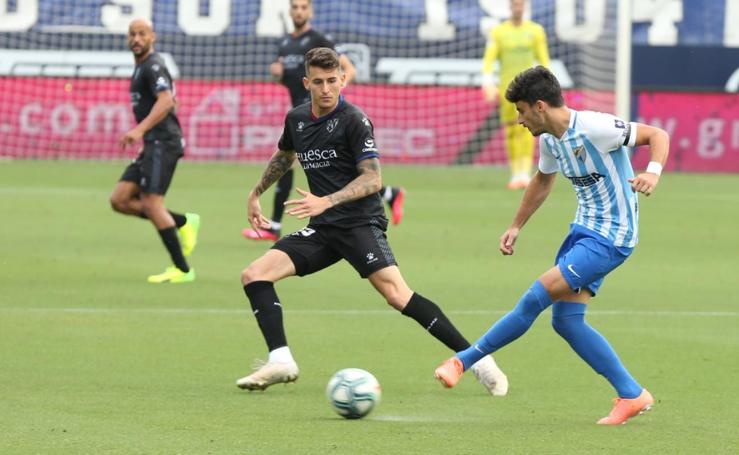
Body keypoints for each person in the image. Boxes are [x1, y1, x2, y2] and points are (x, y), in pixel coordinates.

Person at [235, 47, 507, 395]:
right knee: (254, 275)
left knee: (397, 295)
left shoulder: (354, 120)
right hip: (323, 228)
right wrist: (256, 192)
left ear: (343, 79)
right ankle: (281, 360)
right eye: (318, 82)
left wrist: (327, 201)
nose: (326, 89)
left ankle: (478, 360)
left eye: (332, 81)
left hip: (359, 222)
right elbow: (285, 154)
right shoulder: (297, 119)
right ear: (306, 83)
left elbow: (373, 180)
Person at [434, 66, 669, 425]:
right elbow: (542, 181)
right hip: (583, 230)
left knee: (535, 297)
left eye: (521, 111)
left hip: (613, 236)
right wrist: (516, 226)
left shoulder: (596, 127)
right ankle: (632, 394)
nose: (520, 121)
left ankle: (462, 361)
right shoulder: (549, 140)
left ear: (539, 106)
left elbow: (657, 134)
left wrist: (652, 171)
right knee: (567, 321)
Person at [242, 0, 405, 242]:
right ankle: (389, 193)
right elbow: (293, 79)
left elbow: (349, 69)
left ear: (310, 11)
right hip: (303, 115)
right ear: (289, 11)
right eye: (295, 7)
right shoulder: (285, 44)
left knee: (302, 162)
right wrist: (277, 75)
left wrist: (334, 95)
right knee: (310, 163)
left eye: (303, 7)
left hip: (324, 117)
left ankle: (274, 224)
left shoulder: (320, 40)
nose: (299, 11)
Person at [109, 18, 200, 284]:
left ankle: (182, 270)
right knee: (120, 199)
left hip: (163, 142)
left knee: (151, 202)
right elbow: (169, 99)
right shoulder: (142, 68)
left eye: (142, 34)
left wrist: (138, 130)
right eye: (132, 34)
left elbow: (166, 99)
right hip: (153, 143)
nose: (136, 39)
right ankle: (183, 222)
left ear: (153, 37)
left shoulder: (153, 65)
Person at [481, 0, 549, 189]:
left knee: (527, 129)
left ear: (525, 6)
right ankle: (514, 173)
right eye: (515, 4)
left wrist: (545, 81)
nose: (518, 8)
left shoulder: (535, 31)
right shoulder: (499, 32)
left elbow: (543, 59)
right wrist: (487, 81)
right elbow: (489, 58)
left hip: (529, 89)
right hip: (507, 89)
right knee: (511, 129)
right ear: (510, 6)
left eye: (521, 4)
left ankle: (524, 173)